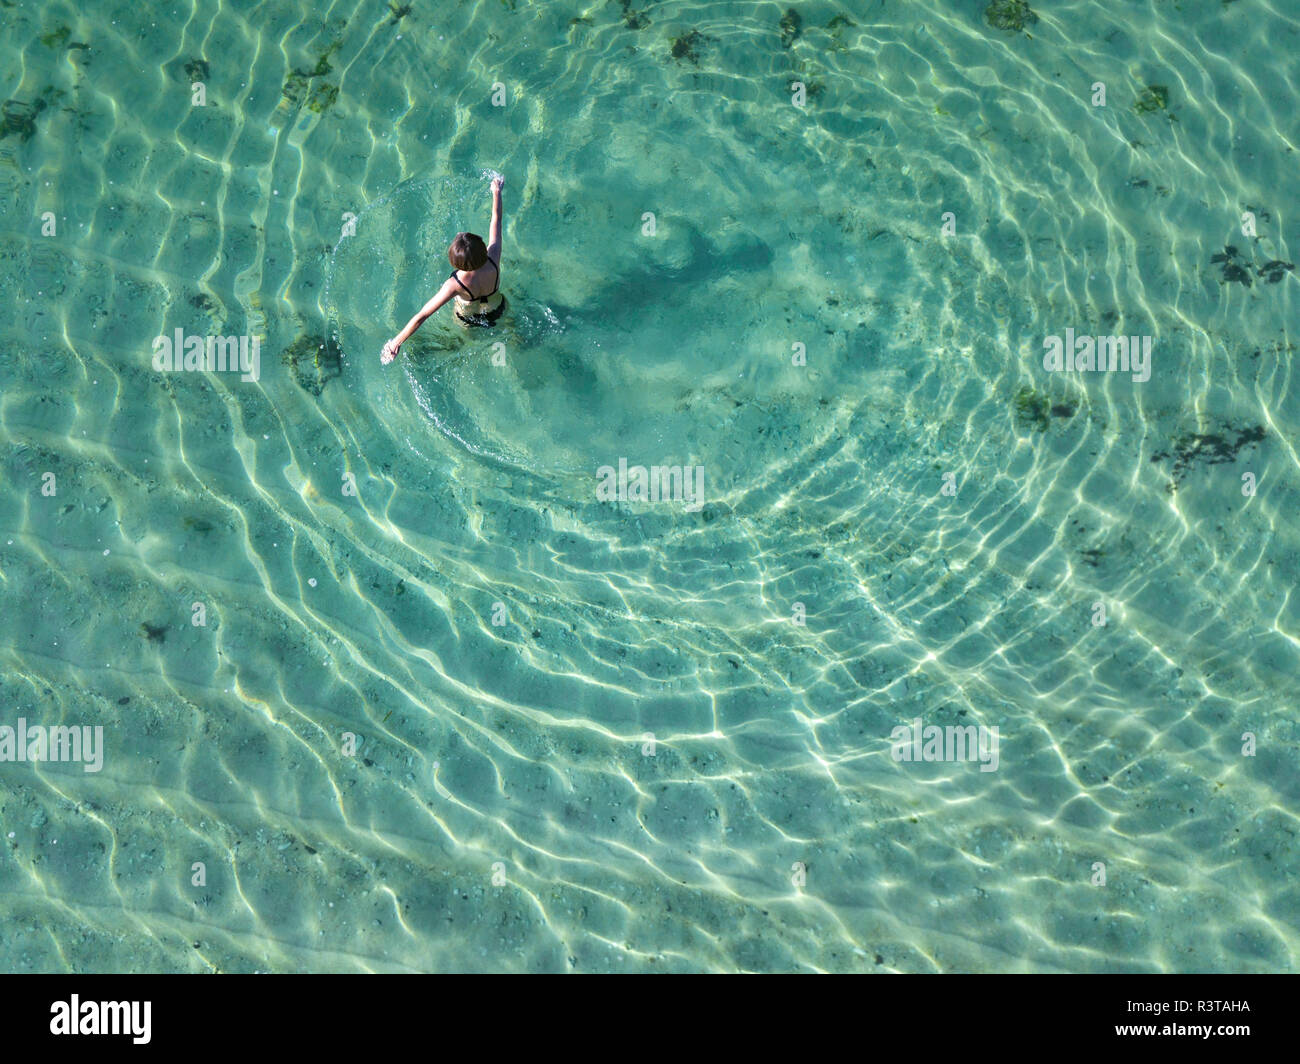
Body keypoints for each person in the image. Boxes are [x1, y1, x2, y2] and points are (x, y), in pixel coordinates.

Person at [381, 175, 505, 364]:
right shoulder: (494, 255)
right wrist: (496, 192)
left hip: (468, 319)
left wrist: (396, 342)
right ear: (482, 249)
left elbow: (423, 315)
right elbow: (496, 220)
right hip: (497, 308)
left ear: (456, 265)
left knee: (460, 343)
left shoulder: (454, 285)